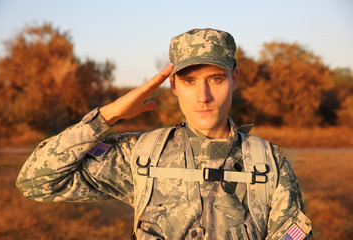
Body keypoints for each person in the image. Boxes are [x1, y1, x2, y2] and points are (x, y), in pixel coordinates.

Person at [16, 28, 312, 239]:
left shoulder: (268, 163)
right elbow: (36, 182)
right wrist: (108, 116)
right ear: (173, 86)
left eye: (216, 79)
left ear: (234, 79)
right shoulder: (141, 153)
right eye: (189, 81)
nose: (203, 96)